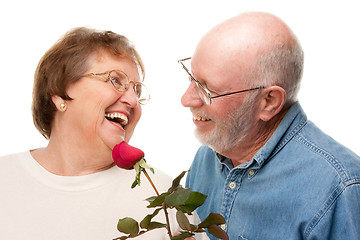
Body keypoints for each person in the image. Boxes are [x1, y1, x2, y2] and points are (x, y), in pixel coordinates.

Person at [0, 27, 205, 240]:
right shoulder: (4, 178)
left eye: (137, 91)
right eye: (115, 80)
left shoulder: (166, 198)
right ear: (60, 93)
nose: (133, 101)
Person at [179, 12, 360, 240]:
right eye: (191, 77)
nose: (186, 99)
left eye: (207, 89)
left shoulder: (341, 189)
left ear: (269, 102)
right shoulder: (206, 157)